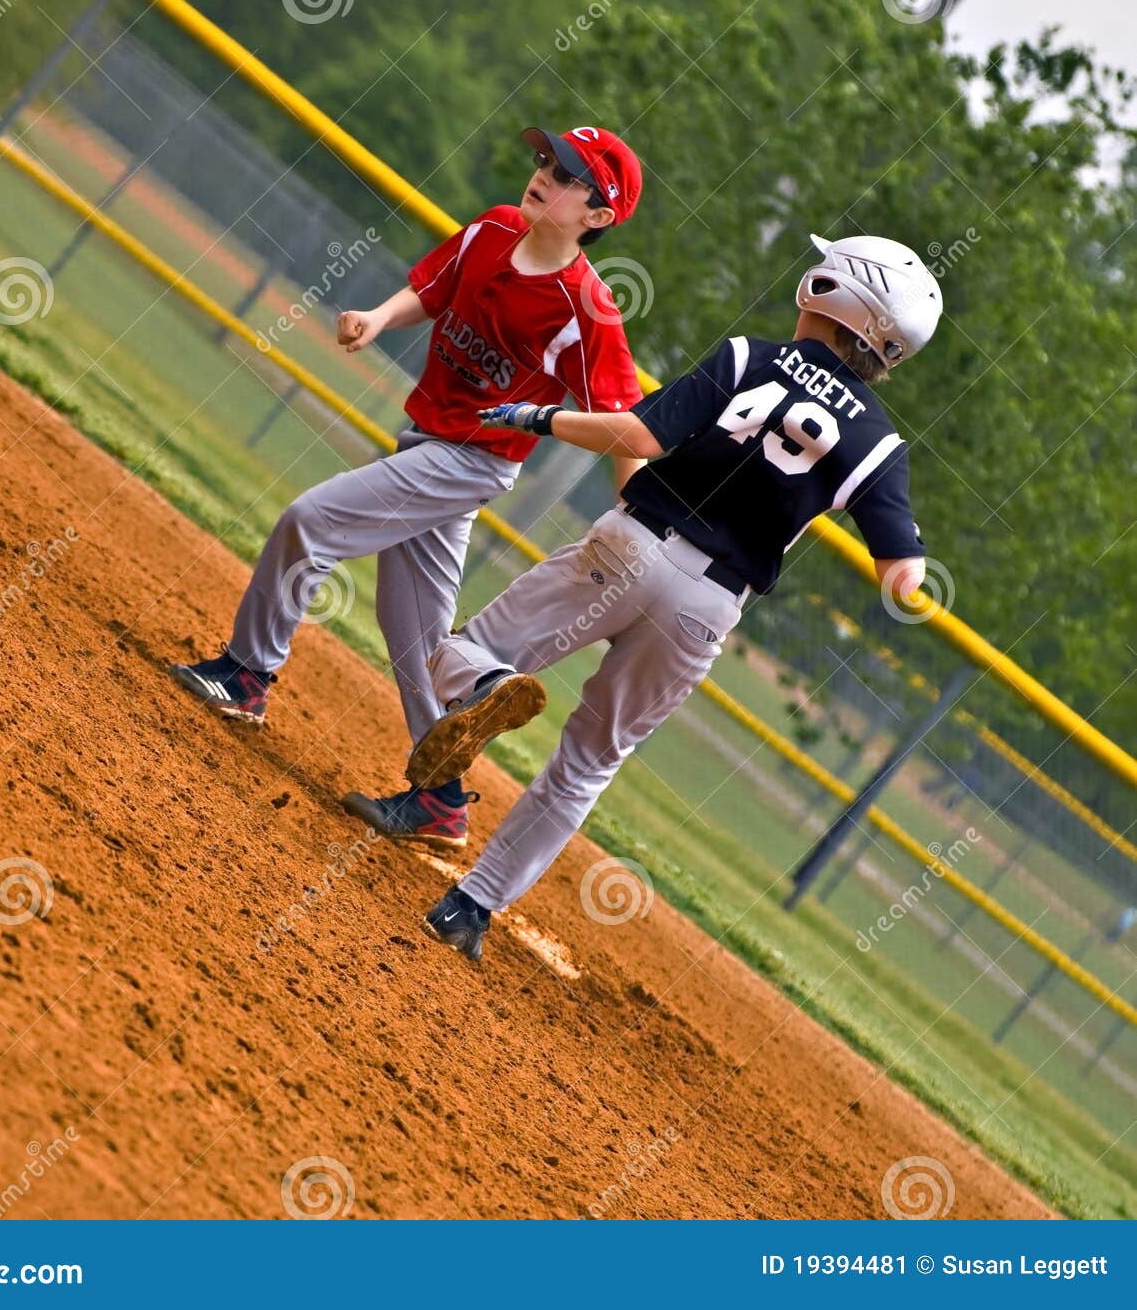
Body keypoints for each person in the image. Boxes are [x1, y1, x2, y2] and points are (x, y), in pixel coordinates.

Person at [375, 233, 942, 961]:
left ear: (832, 294)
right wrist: (904, 577)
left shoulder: (750, 357)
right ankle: (468, 909)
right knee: (587, 764)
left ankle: (488, 686)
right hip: (706, 610)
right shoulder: (878, 440)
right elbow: (904, 570)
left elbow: (638, 432)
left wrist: (540, 417)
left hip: (631, 546)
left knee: (470, 650)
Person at [172, 125, 645, 854]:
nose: (544, 174)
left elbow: (623, 423)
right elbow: (432, 288)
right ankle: (442, 798)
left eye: (569, 175)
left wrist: (632, 515)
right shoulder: (492, 226)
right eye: (545, 160)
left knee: (311, 521)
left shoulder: (587, 308)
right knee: (416, 635)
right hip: (429, 439)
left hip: (474, 459)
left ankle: (246, 674)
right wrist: (378, 318)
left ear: (599, 216)